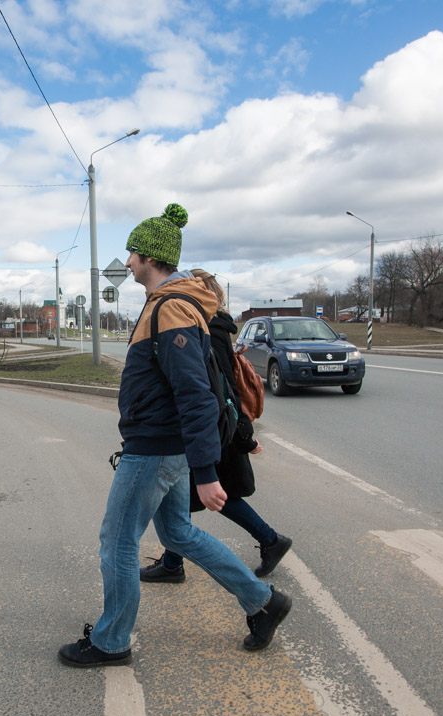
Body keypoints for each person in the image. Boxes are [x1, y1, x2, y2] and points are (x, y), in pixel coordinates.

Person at [58, 204, 291, 668]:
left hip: (157, 448)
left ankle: (111, 640)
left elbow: (196, 395)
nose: (126, 262)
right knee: (178, 533)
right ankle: (263, 601)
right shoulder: (165, 305)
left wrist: (206, 472)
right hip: (165, 444)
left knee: (118, 540)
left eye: (132, 253)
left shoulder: (172, 308)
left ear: (150, 256)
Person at [139, 269, 292, 584]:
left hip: (212, 428)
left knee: (211, 495)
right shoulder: (212, 326)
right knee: (191, 497)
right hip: (209, 426)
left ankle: (270, 540)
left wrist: (242, 434)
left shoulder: (210, 329)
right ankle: (173, 562)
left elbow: (222, 387)